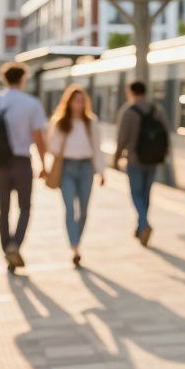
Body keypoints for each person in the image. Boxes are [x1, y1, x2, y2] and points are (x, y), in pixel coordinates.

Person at [0, 63, 49, 272]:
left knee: (3, 209)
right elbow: (38, 138)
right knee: (25, 207)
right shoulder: (31, 103)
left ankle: (6, 248)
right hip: (22, 161)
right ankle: (15, 244)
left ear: (4, 78)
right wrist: (44, 164)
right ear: (23, 78)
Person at [46, 84, 106, 267]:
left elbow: (97, 148)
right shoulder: (61, 122)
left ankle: (77, 240)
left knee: (84, 209)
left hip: (86, 167)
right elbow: (53, 147)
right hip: (67, 168)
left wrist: (102, 172)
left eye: (82, 101)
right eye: (76, 100)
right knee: (70, 209)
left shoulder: (91, 122)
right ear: (69, 102)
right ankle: (74, 246)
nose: (79, 104)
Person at [113, 81, 169, 246]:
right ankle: (140, 227)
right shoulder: (156, 109)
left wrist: (116, 159)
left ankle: (144, 224)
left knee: (136, 193)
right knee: (146, 193)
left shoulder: (129, 111)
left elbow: (122, 138)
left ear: (131, 92)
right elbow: (165, 132)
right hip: (153, 160)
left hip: (135, 160)